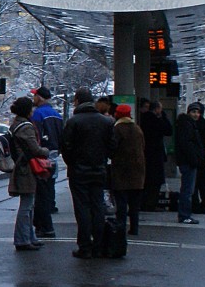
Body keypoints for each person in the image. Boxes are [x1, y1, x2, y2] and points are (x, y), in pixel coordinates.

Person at [61, 87, 114, 258]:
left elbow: (66, 147)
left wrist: (73, 163)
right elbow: (112, 146)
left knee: (82, 208)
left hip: (79, 172)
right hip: (99, 170)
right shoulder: (106, 122)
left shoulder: (73, 122)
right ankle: (98, 245)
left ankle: (85, 246)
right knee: (97, 206)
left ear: (77, 101)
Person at [8, 96, 48, 251]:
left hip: (22, 167)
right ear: (27, 110)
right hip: (26, 168)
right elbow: (34, 149)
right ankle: (23, 239)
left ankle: (29, 237)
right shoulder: (26, 127)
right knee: (27, 205)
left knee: (28, 204)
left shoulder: (16, 124)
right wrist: (45, 151)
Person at [30, 86, 63, 238]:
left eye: (35, 95)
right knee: (49, 190)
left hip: (41, 157)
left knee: (40, 194)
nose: (34, 98)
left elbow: (36, 136)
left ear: (40, 97)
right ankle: (45, 222)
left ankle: (44, 226)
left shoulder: (38, 114)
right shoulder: (57, 114)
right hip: (54, 156)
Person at [109, 104, 145, 236]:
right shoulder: (137, 129)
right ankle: (134, 228)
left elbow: (112, 148)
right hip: (138, 171)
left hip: (121, 170)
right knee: (134, 204)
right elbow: (143, 146)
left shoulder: (117, 129)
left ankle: (121, 227)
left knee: (121, 203)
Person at [173, 102, 205, 224]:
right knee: (187, 190)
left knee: (188, 189)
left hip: (188, 161)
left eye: (198, 112)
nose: (196, 114)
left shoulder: (187, 124)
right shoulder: (187, 125)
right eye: (194, 112)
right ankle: (184, 215)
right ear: (189, 112)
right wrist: (195, 158)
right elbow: (187, 144)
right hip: (188, 162)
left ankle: (185, 214)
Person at [138, 99, 173, 210]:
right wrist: (163, 116)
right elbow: (169, 130)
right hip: (155, 153)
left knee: (146, 180)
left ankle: (144, 202)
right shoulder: (155, 120)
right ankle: (150, 203)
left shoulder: (142, 119)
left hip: (145, 152)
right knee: (155, 181)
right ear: (157, 109)